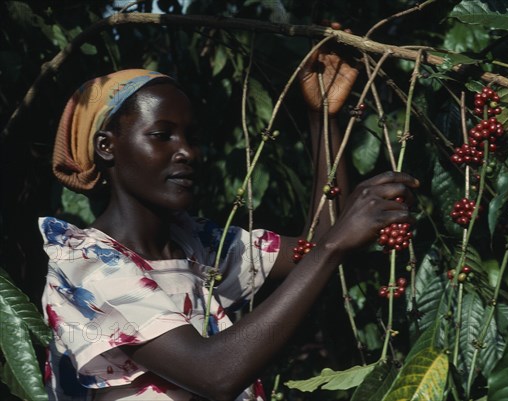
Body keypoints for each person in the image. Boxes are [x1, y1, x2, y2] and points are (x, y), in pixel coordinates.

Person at [39, 43, 419, 401]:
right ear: (106, 146)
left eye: (191, 136)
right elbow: (214, 373)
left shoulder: (197, 245)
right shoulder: (86, 268)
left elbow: (313, 246)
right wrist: (334, 246)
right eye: (162, 135)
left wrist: (323, 119)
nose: (186, 151)